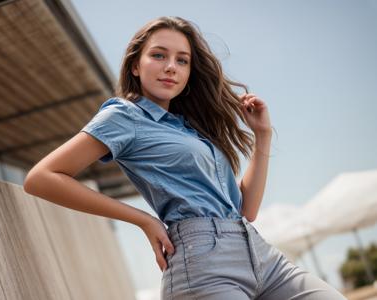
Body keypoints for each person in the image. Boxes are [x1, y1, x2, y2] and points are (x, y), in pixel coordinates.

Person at [23, 16, 346, 300]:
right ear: (136, 65)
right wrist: (143, 220)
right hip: (203, 262)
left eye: (182, 60)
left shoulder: (191, 129)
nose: (170, 67)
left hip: (262, 256)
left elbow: (247, 210)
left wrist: (261, 135)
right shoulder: (124, 116)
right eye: (158, 55)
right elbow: (42, 178)